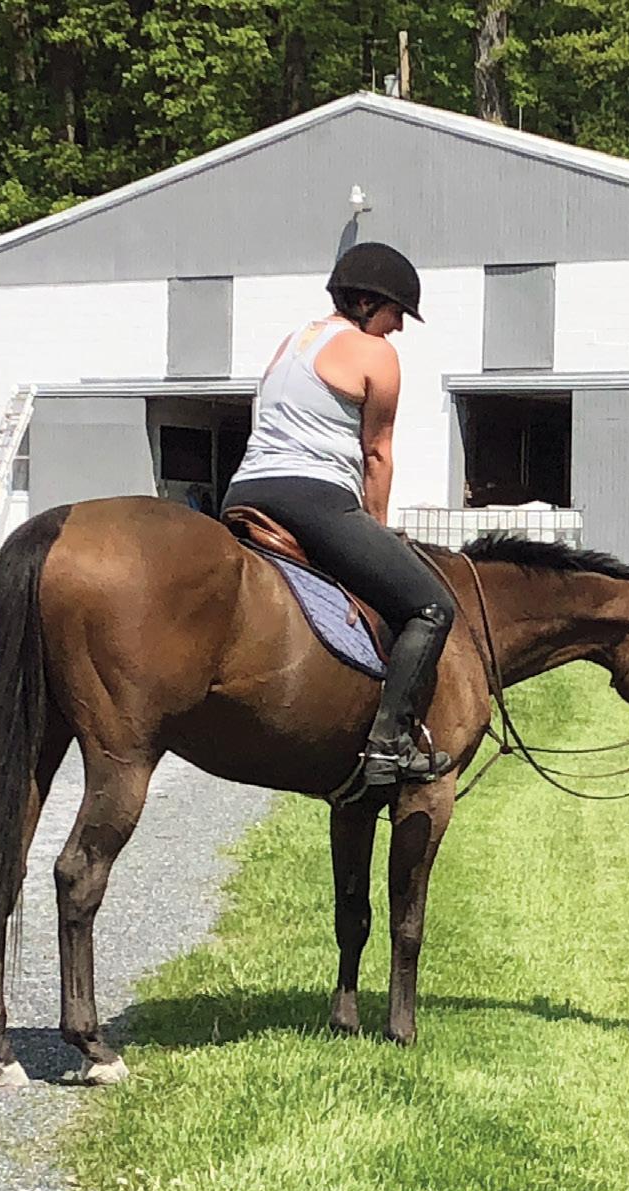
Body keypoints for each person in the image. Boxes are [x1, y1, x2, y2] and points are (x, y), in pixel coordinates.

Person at [223, 242, 458, 787]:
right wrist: (375, 531)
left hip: (243, 490)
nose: (398, 326)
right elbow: (377, 453)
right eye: (397, 312)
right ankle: (388, 746)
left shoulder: (292, 343)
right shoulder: (374, 354)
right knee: (430, 606)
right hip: (313, 497)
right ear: (367, 303)